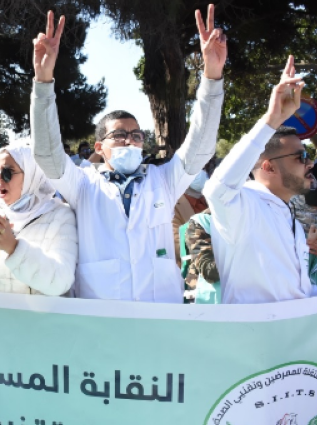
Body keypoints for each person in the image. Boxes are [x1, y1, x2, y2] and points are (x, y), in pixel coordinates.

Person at [30, 7, 226, 302]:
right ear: (99, 147)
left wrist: (211, 78)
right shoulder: (83, 185)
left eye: (136, 135)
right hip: (102, 310)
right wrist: (43, 83)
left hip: (159, 308)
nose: (130, 141)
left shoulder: (164, 180)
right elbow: (47, 153)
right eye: (119, 135)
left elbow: (200, 147)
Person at [204, 55, 317, 303]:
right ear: (268, 167)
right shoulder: (243, 206)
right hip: (252, 328)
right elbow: (217, 188)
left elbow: (297, 294)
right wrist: (271, 120)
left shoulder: (287, 213)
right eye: (301, 157)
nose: (310, 164)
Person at [0, 143, 77, 301]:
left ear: (31, 173)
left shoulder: (61, 215)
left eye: (7, 172)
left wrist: (14, 248)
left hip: (43, 317)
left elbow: (61, 282)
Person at [172, 166, 210, 266]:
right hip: (196, 268)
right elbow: (178, 245)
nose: (202, 173)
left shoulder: (212, 198)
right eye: (196, 169)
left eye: (204, 168)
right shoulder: (172, 206)